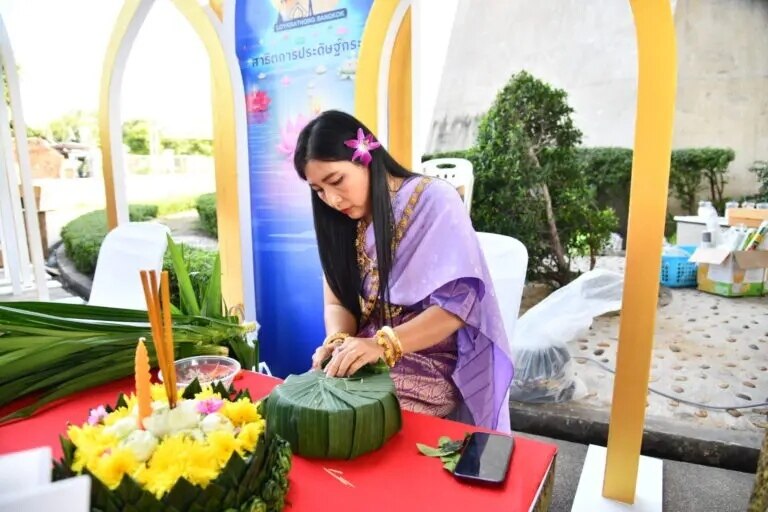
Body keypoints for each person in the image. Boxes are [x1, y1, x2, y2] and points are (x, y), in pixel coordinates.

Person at [293, 110, 514, 432]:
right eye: (318, 190)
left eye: (336, 181)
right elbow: (337, 302)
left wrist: (381, 346)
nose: (332, 200)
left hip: (431, 358)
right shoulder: (341, 223)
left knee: (353, 423)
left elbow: (456, 307)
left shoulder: (434, 200)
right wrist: (339, 339)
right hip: (366, 354)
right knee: (307, 410)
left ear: (366, 157)